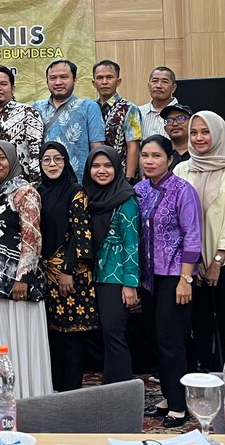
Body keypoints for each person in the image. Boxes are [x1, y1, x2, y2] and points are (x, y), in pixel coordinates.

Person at [136, 135, 202, 429]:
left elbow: (193, 236)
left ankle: (178, 405)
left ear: (170, 159)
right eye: (145, 156)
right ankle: (167, 395)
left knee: (171, 340)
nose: (149, 161)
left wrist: (186, 279)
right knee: (154, 338)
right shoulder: (139, 190)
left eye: (156, 156)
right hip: (149, 277)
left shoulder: (182, 190)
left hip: (176, 275)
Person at [173, 111, 225, 372]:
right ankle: (204, 375)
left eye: (205, 132)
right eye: (194, 132)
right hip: (190, 262)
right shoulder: (181, 169)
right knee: (198, 322)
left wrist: (217, 260)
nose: (199, 138)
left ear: (218, 134)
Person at [0, 141, 53, 398]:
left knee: (25, 339)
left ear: (13, 160)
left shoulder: (25, 192)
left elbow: (32, 238)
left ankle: (31, 395)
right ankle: (11, 396)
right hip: (0, 278)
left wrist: (22, 278)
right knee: (8, 341)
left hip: (22, 280)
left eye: (2, 158)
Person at [36, 142, 98, 391]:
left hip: (70, 276)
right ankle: (55, 391)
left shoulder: (75, 191)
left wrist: (67, 271)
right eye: (46, 160)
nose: (52, 164)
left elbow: (80, 233)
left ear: (66, 162)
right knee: (53, 336)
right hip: (46, 276)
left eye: (58, 159)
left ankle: (71, 392)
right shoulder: (38, 191)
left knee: (72, 337)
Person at [83, 146, 140, 384]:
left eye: (108, 165)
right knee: (103, 334)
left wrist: (130, 284)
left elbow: (132, 243)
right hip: (94, 273)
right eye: (96, 166)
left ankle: (122, 389)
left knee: (114, 333)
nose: (102, 170)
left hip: (115, 275)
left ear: (117, 168)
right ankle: (110, 388)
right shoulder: (88, 197)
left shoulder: (126, 199)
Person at [32, 60, 105, 184]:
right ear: (47, 81)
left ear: (75, 80)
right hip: (44, 184)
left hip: (79, 182)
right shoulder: (36, 108)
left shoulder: (89, 107)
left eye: (64, 77)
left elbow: (97, 147)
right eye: (53, 78)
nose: (58, 82)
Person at [0, 66, 44, 182]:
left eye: (3, 84)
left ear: (12, 88)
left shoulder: (28, 113)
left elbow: (35, 151)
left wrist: (34, 183)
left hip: (21, 182)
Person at [92, 60, 142, 180]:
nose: (104, 82)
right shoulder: (89, 108)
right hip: (95, 175)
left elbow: (133, 146)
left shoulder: (129, 108)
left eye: (109, 77)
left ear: (118, 81)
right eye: (100, 78)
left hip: (121, 175)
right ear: (94, 83)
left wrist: (129, 178)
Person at [138, 67, 181, 138]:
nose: (158, 86)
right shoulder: (137, 112)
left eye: (164, 82)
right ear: (149, 86)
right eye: (155, 81)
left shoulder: (184, 115)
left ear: (173, 88)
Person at [161, 104, 193, 168]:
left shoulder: (200, 150)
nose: (175, 124)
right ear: (165, 128)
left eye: (181, 118)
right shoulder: (161, 151)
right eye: (169, 120)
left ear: (192, 123)